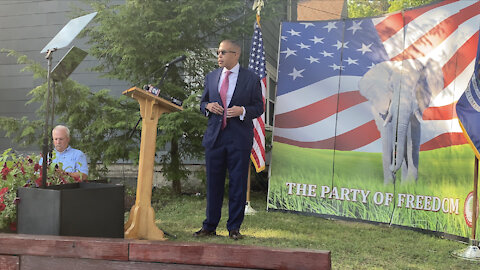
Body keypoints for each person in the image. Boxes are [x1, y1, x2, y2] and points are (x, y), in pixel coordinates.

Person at [195, 40, 264, 240]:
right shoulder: (211, 77)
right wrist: (208, 107)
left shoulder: (251, 79)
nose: (219, 55)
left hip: (238, 138)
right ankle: (209, 226)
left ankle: (234, 227)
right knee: (213, 184)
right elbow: (202, 103)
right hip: (215, 138)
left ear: (236, 54)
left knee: (237, 184)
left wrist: (242, 110)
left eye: (223, 52)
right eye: (218, 52)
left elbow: (259, 107)